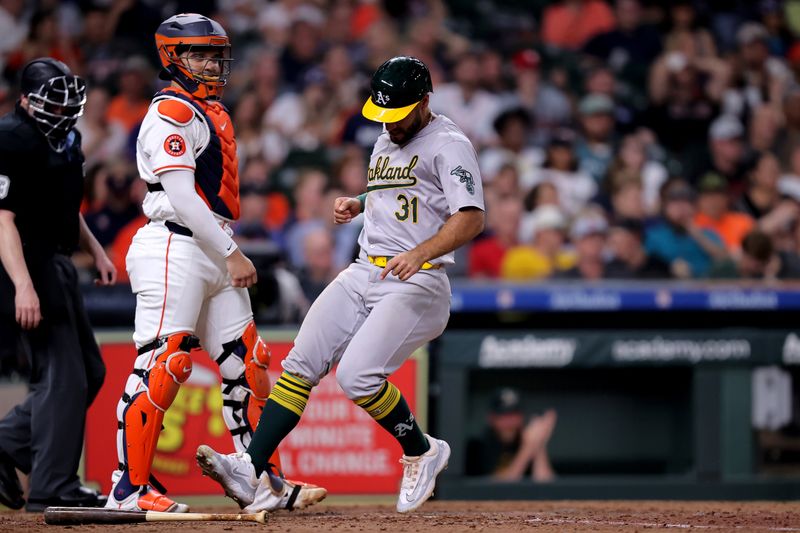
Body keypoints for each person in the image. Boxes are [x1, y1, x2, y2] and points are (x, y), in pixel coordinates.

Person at [196, 56, 485, 514]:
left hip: (419, 279)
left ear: (425, 101)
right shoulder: (386, 136)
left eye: (399, 113)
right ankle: (250, 470)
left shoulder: (449, 143)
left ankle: (422, 450)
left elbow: (470, 216)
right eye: (384, 114)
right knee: (299, 364)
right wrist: (362, 201)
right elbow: (407, 188)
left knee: (356, 377)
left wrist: (420, 251)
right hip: (365, 268)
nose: (389, 124)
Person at [104, 14, 326, 513]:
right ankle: (128, 489)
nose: (212, 62)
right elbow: (181, 196)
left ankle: (259, 481)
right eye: (200, 53)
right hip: (174, 246)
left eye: (215, 53)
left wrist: (225, 249)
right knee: (165, 363)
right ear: (172, 58)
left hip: (210, 244)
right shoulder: (170, 112)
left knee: (249, 366)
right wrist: (232, 253)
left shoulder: (210, 110)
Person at [0, 57, 114, 512]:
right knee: (62, 378)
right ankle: (52, 486)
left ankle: (7, 442)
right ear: (26, 99)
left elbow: (65, 207)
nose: (65, 105)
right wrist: (23, 287)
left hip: (58, 262)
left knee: (90, 373)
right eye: (53, 96)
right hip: (22, 265)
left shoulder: (68, 138)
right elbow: (3, 220)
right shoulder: (10, 138)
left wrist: (97, 248)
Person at [466, 387, 556, 482]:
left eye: (513, 415)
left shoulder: (525, 439)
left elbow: (548, 489)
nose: (510, 423)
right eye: (504, 416)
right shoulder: (476, 448)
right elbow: (497, 491)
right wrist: (527, 448)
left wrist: (539, 445)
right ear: (491, 418)